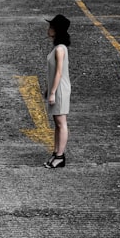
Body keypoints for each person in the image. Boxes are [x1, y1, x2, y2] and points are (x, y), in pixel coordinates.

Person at [43, 14, 71, 169]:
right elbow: (54, 72)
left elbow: (59, 72)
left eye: (51, 27)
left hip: (60, 89)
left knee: (61, 123)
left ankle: (60, 156)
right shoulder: (58, 47)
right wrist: (49, 89)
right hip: (57, 88)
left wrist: (53, 92)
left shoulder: (60, 49)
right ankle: (56, 153)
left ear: (57, 30)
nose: (48, 29)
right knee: (57, 123)